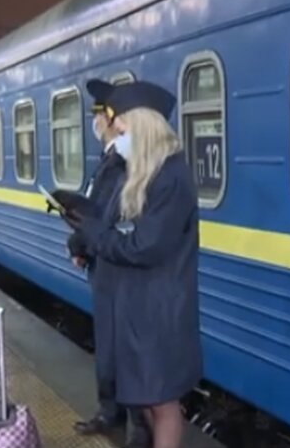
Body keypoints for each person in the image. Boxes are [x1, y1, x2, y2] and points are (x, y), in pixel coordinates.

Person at [59, 81, 202, 448]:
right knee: (148, 400)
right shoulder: (146, 171)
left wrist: (93, 232)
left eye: (123, 131)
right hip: (140, 304)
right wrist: (85, 222)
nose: (118, 137)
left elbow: (144, 247)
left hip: (159, 307)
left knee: (162, 402)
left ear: (144, 127)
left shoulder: (171, 176)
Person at [68, 79, 151, 448]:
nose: (98, 122)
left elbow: (105, 213)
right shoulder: (110, 160)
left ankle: (137, 428)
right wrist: (80, 242)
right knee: (109, 345)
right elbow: (95, 208)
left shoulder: (125, 163)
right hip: (104, 263)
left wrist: (81, 238)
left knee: (124, 348)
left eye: (100, 115)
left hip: (119, 267)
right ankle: (111, 411)